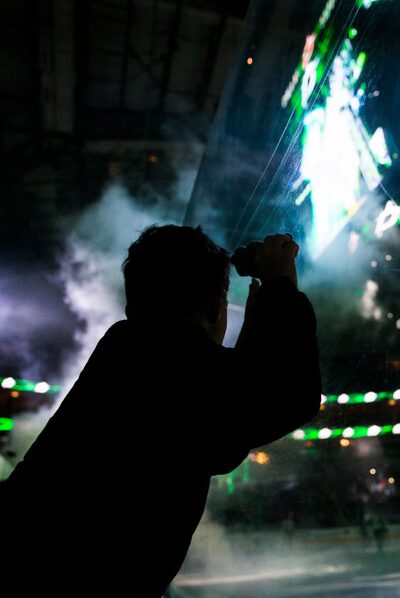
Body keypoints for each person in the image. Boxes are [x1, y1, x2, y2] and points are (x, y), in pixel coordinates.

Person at [0, 225, 321, 596]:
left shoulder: (127, 350)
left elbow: (221, 431)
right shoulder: (173, 362)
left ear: (131, 304)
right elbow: (283, 396)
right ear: (216, 306)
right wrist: (280, 289)